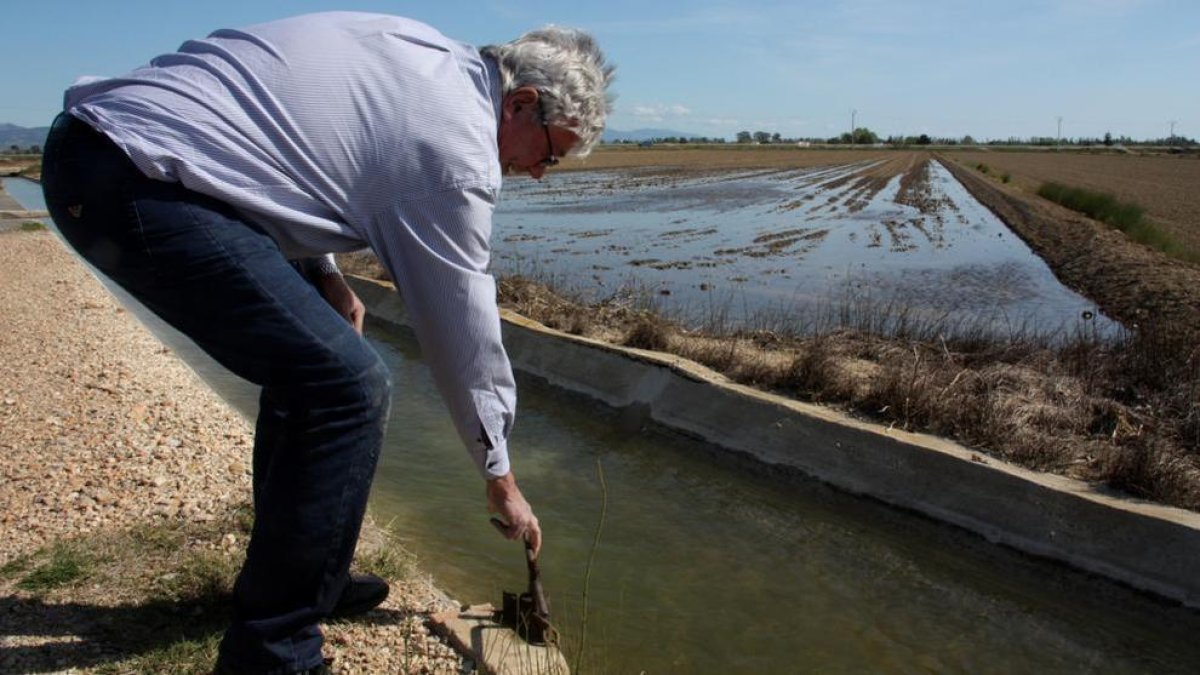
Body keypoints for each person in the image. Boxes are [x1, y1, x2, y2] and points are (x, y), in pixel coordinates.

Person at [40, 12, 614, 674]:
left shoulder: (421, 54)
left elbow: (288, 154)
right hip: (131, 177)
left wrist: (324, 272)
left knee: (311, 373)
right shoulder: (454, 147)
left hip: (119, 159)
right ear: (520, 102)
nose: (540, 172)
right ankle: (276, 649)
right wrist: (500, 476)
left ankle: (308, 579)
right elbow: (461, 329)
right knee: (348, 385)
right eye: (549, 153)